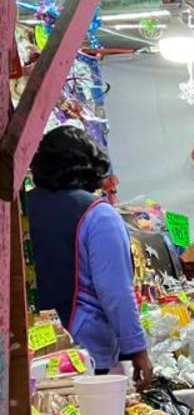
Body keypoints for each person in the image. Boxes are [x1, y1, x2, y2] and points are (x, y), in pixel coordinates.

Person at [26, 126, 153, 386]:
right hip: (84, 351)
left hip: (26, 348)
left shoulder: (17, 209)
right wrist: (137, 348)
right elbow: (115, 290)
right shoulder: (98, 213)